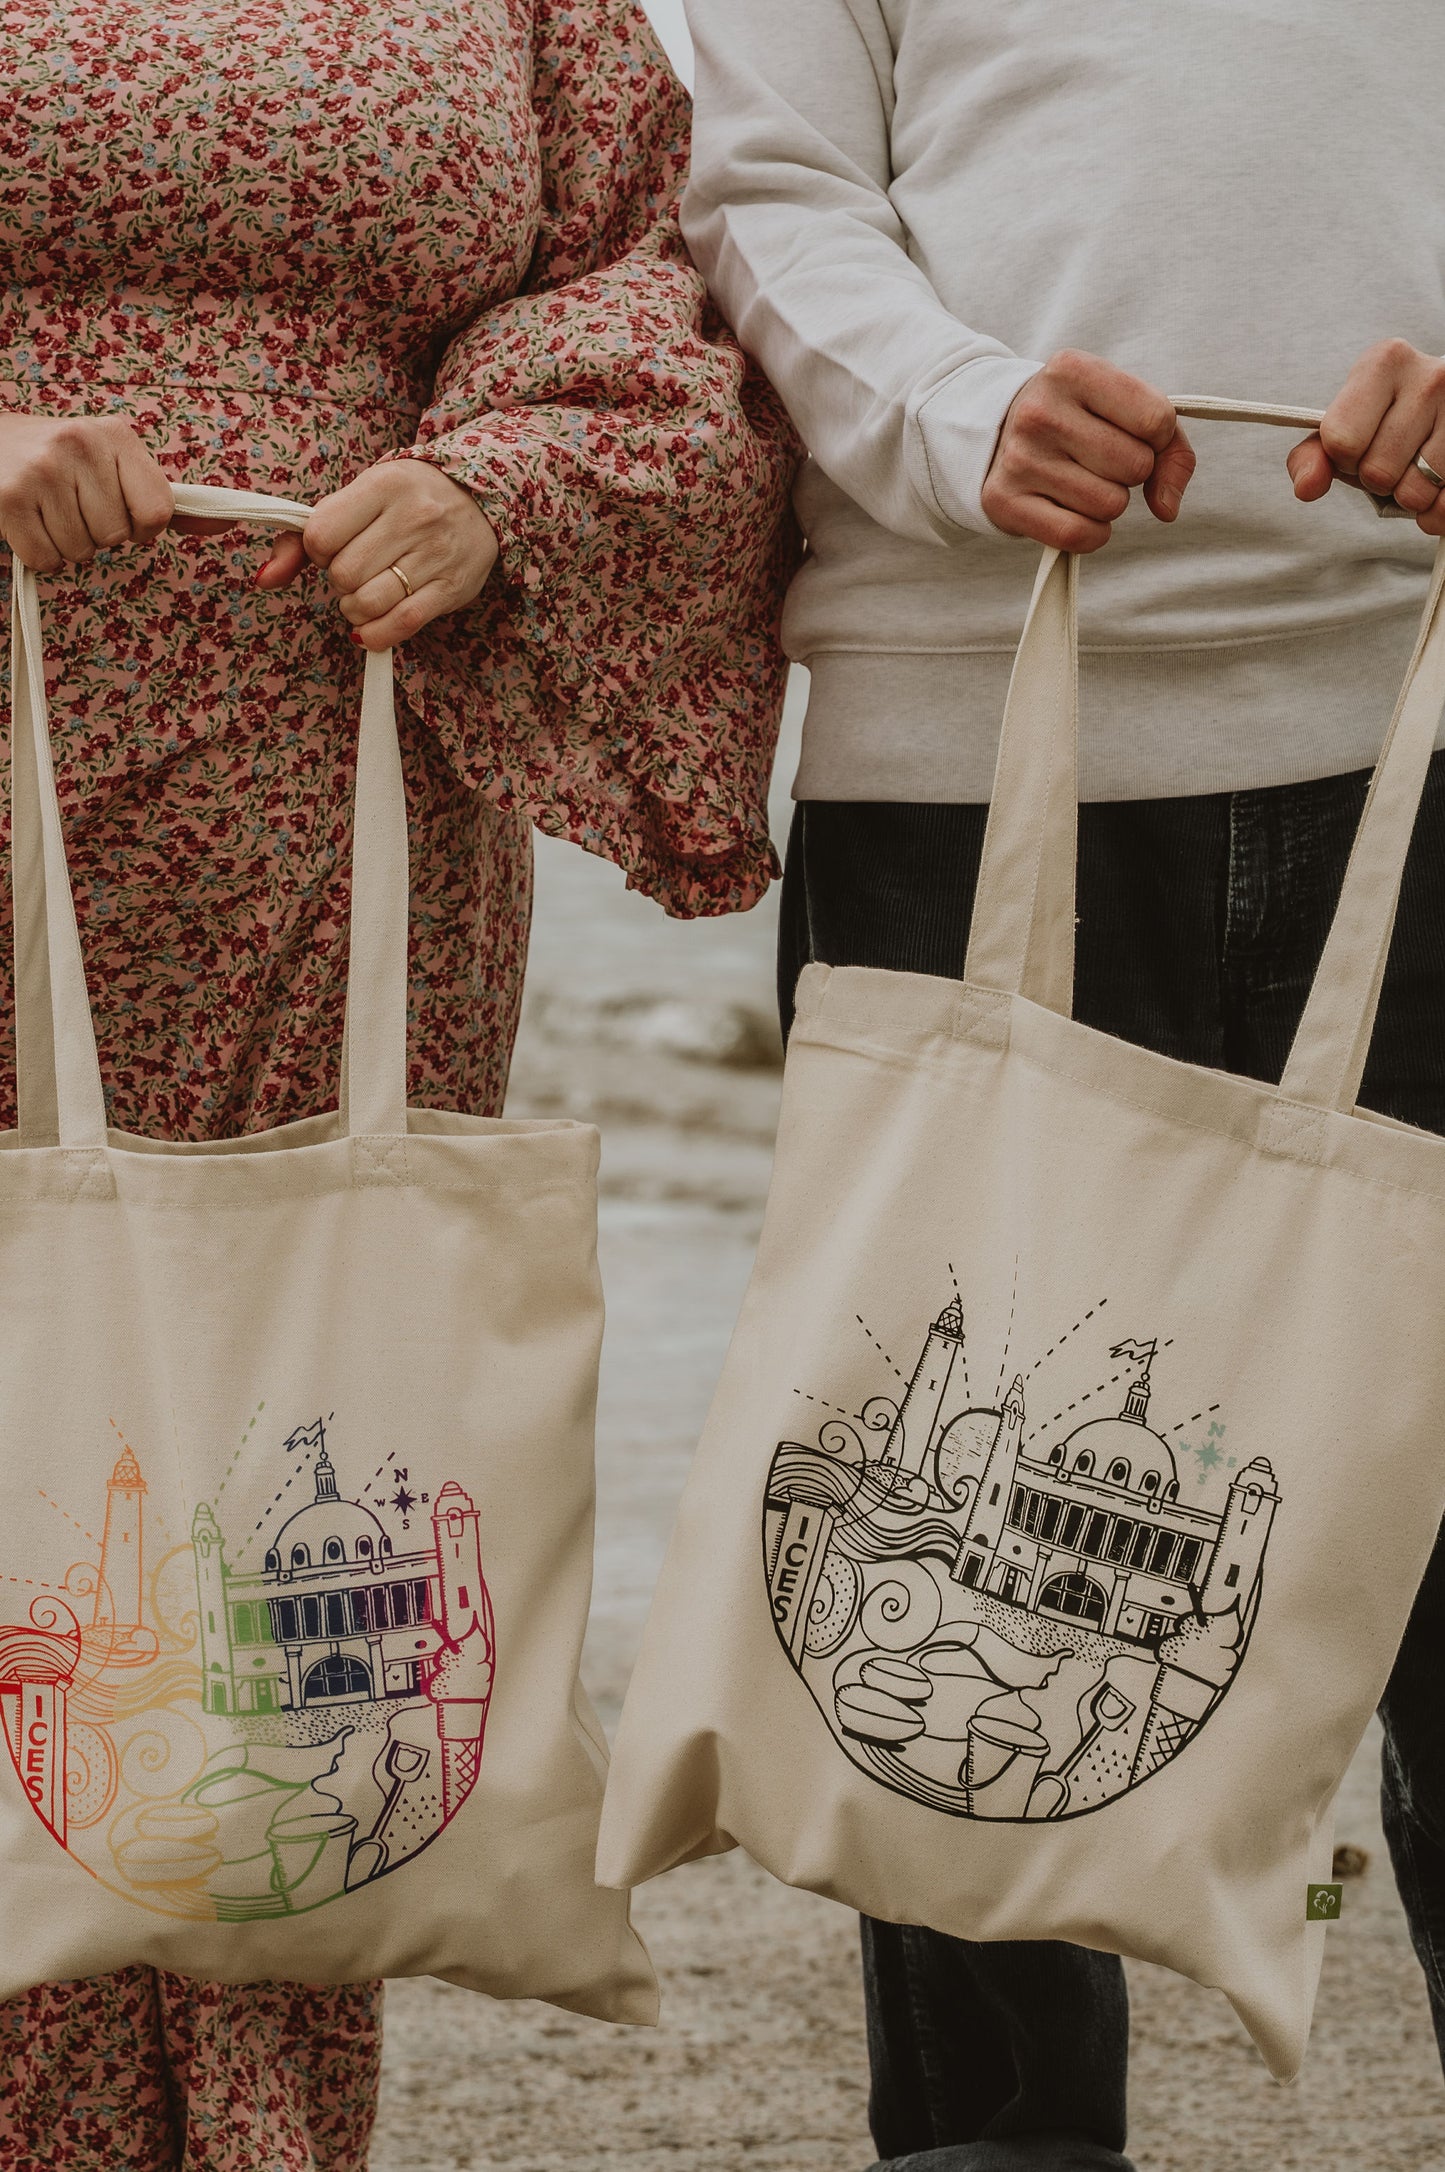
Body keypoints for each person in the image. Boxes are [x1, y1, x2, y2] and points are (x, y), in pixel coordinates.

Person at [0, 0, 797, 2164]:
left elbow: (650, 268)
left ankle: (261, 2132)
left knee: (292, 1514)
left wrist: (495, 486)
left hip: (337, 803)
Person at [679, 2, 1445, 2166]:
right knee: (966, 1586)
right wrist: (957, 402)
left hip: (1425, 711)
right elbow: (761, 191)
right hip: (965, 723)